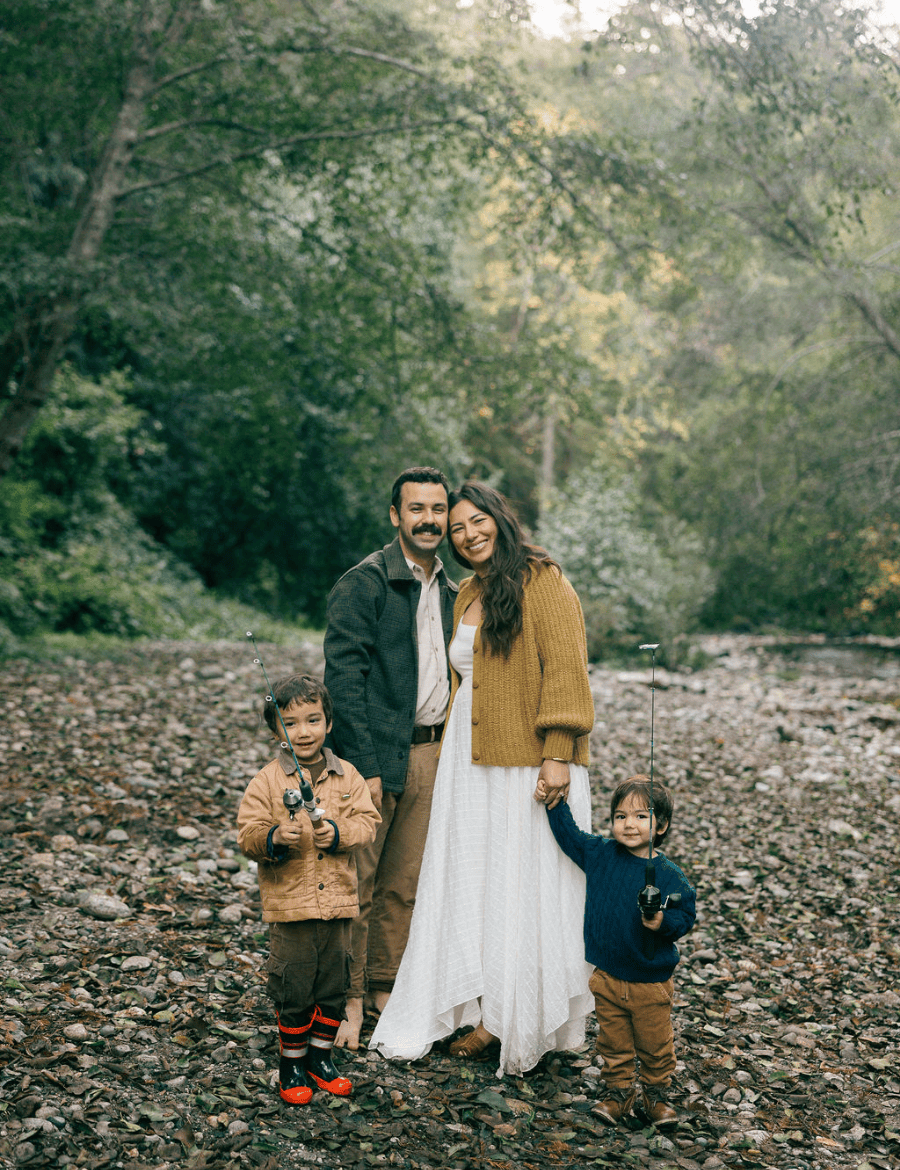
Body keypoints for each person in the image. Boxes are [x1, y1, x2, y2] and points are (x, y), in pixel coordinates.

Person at [370, 480, 596, 1078]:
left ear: (500, 516)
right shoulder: (468, 589)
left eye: (478, 522)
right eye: (459, 527)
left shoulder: (543, 580)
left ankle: (513, 1017)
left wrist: (559, 751)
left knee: (526, 884)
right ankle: (481, 1003)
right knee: (478, 883)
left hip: (528, 759)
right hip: (468, 761)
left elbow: (568, 672)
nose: (468, 535)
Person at [324, 467, 457, 1049]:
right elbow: (344, 680)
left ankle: (384, 984)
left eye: (438, 509)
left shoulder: (455, 590)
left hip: (433, 752)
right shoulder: (366, 583)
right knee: (358, 879)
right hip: (374, 757)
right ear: (395, 516)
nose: (429, 519)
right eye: (417, 509)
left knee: (405, 882)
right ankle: (346, 999)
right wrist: (366, 766)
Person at [237, 674, 380, 1105]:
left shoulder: (348, 775)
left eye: (313, 720)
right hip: (291, 907)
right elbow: (248, 833)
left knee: (332, 988)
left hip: (338, 904)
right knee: (294, 988)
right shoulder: (266, 781)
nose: (303, 731)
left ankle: (321, 1058)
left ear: (329, 723)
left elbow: (368, 823)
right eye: (291, 723)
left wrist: (337, 833)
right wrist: (275, 838)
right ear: (276, 731)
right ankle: (292, 1063)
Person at [544, 774, 696, 1127]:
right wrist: (555, 805)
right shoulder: (600, 854)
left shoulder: (670, 875)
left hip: (650, 982)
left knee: (656, 1046)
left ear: (662, 825)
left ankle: (656, 1097)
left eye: (642, 816)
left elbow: (686, 913)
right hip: (607, 977)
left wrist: (662, 923)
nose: (629, 824)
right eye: (621, 816)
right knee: (613, 1045)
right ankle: (618, 1094)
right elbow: (570, 838)